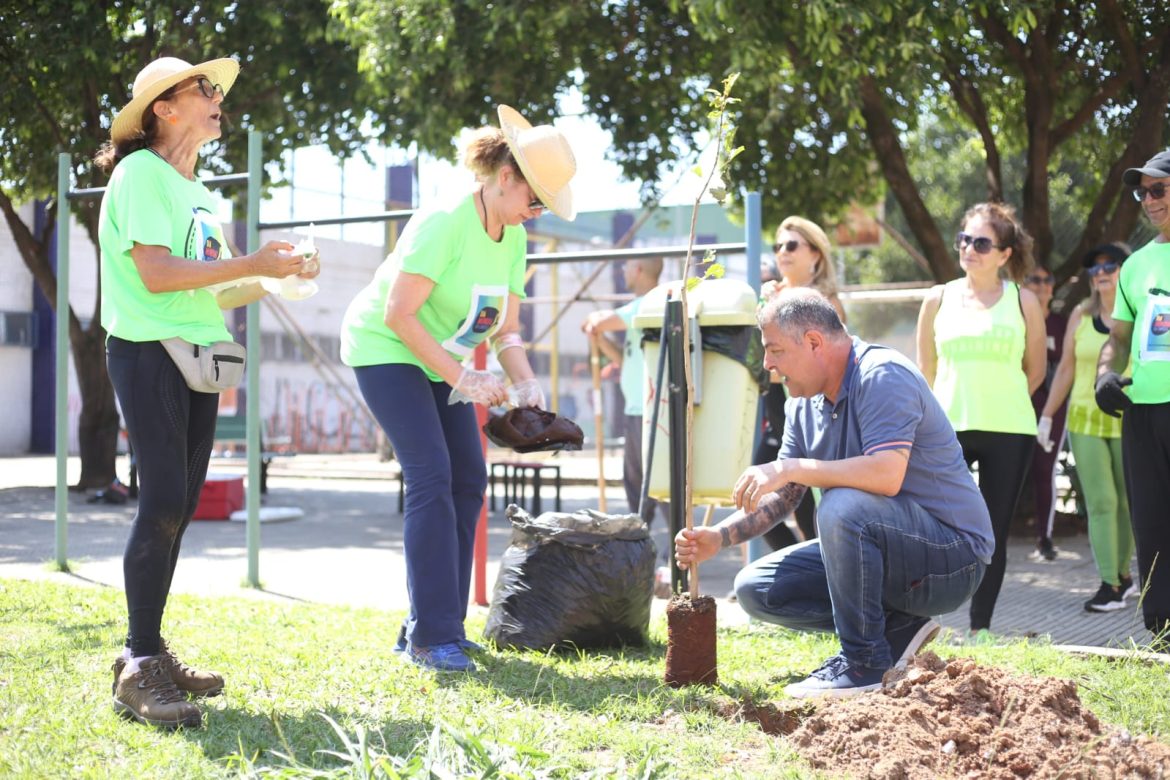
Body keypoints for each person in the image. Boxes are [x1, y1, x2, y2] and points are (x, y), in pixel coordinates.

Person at [97, 56, 318, 728]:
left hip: (196, 355)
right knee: (162, 499)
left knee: (181, 507)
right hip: (147, 350)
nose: (218, 97)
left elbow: (215, 286)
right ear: (163, 107)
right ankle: (138, 665)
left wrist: (276, 274)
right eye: (205, 88)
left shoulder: (198, 191)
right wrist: (251, 263)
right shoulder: (140, 175)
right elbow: (159, 274)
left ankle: (151, 652)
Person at [340, 105, 576, 672]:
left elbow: (507, 330)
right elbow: (399, 315)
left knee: (469, 478)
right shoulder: (445, 220)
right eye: (534, 198)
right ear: (505, 177)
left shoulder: (514, 236)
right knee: (431, 476)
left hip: (439, 359)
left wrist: (525, 380)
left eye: (545, 204)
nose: (536, 211)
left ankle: (428, 624)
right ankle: (432, 639)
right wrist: (464, 377)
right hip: (385, 347)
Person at [675, 289, 992, 698]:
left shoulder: (883, 374)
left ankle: (864, 663)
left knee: (841, 506)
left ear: (813, 342)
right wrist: (719, 537)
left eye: (774, 350)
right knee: (758, 589)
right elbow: (786, 495)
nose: (767, 364)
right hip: (895, 554)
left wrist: (793, 466)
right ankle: (897, 629)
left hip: (954, 558)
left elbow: (886, 474)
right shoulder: (801, 404)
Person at [916, 202, 1046, 639]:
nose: (970, 248)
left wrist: (1004, 400)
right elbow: (926, 370)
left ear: (1005, 254)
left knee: (993, 531)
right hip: (946, 430)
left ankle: (981, 628)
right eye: (965, 240)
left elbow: (1037, 369)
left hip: (1010, 430)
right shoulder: (937, 298)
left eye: (982, 242)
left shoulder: (1024, 300)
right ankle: (920, 622)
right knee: (932, 526)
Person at [1096, 149, 1170, 649]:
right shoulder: (1136, 265)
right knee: (1150, 520)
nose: (1148, 200)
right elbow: (1119, 337)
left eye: (1158, 189)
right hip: (1142, 410)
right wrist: (1105, 372)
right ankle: (1162, 635)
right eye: (1142, 192)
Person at [1039, 244, 1134, 612]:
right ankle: (1109, 582)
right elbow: (1064, 368)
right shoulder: (1080, 313)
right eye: (1095, 270)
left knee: (1127, 501)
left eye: (1110, 265)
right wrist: (1048, 415)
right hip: (1084, 417)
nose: (1102, 273)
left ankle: (1126, 578)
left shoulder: (1140, 313)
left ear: (1125, 270)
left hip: (1128, 417)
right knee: (1101, 501)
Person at [754, 216, 847, 550]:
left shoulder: (825, 304)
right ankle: (799, 564)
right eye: (778, 245)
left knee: (809, 508)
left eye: (792, 245)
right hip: (776, 409)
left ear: (816, 254)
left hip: (812, 410)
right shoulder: (772, 296)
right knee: (754, 492)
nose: (783, 252)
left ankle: (821, 573)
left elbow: (824, 364)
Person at [581, 257, 664, 521]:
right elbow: (624, 360)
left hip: (650, 410)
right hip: (635, 410)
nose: (623, 270)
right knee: (637, 486)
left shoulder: (649, 304)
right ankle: (640, 547)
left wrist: (595, 324)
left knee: (657, 486)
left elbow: (602, 320)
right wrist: (600, 340)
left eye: (627, 265)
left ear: (638, 270)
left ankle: (677, 554)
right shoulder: (637, 315)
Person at [1023, 266, 1068, 561]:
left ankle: (1045, 538)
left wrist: (1050, 411)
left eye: (1047, 279)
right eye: (1034, 280)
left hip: (1052, 406)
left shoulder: (1063, 324)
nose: (1041, 285)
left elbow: (1066, 369)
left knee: (1044, 470)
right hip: (1019, 404)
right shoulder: (1016, 320)